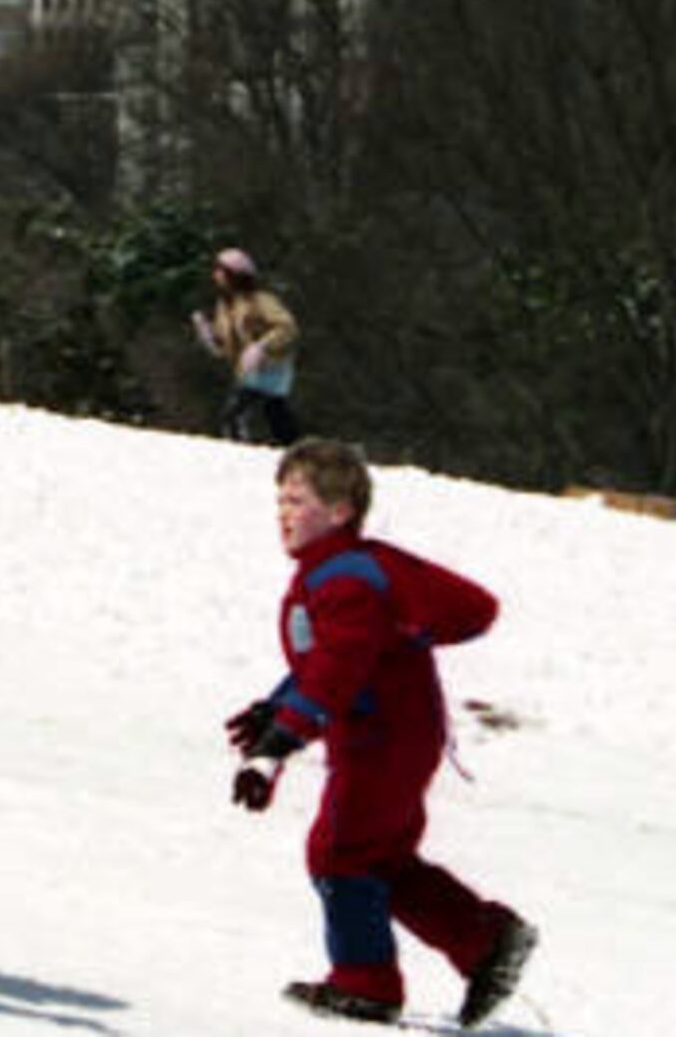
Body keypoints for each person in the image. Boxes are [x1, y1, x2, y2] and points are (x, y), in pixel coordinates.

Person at [227, 437, 537, 1027]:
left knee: (340, 852)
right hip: (392, 735)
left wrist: (278, 743)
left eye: (297, 500)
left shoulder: (347, 581)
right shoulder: (337, 573)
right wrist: (279, 707)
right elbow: (326, 666)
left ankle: (366, 984)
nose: (283, 513)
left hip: (383, 741)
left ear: (340, 511)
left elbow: (338, 671)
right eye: (280, 500)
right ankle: (484, 941)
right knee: (380, 855)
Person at [192, 247, 303, 446]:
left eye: (221, 270)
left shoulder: (260, 300)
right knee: (276, 416)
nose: (215, 275)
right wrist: (207, 334)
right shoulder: (225, 305)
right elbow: (225, 347)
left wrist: (261, 346)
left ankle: (241, 454)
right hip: (248, 370)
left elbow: (287, 327)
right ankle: (296, 449)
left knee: (235, 414)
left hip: (271, 367)